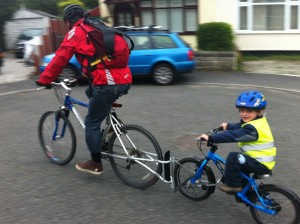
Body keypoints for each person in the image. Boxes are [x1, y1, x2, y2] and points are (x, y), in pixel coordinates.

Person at [36, 5, 132, 175]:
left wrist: (45, 79)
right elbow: (98, 59)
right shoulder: (98, 26)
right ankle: (111, 126)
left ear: (67, 22)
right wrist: (84, 75)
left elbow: (60, 58)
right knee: (91, 94)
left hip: (107, 83)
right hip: (123, 79)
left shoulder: (77, 32)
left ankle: (96, 163)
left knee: (91, 124)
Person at [199, 90, 276, 193]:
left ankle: (233, 186)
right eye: (242, 110)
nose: (244, 114)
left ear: (259, 111)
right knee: (238, 169)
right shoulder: (258, 121)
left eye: (249, 111)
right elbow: (241, 126)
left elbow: (233, 135)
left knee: (233, 157)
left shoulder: (252, 130)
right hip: (260, 161)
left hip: (260, 163)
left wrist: (211, 138)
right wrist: (228, 126)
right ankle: (247, 194)